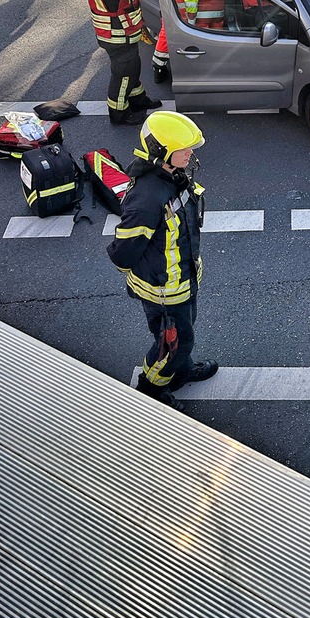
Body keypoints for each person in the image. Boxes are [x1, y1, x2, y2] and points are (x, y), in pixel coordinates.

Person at [108, 111, 218, 410]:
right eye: (184, 149)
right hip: (163, 289)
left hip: (181, 280)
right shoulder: (147, 197)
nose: (190, 153)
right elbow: (125, 250)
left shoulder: (172, 177)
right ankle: (150, 389)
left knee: (183, 335)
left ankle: (180, 372)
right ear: (161, 152)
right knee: (172, 345)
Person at [81, 0, 160, 126]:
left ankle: (138, 101)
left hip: (115, 30)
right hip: (116, 33)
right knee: (123, 75)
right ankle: (120, 114)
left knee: (132, 67)